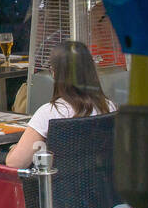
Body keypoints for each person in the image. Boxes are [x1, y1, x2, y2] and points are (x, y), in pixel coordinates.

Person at [6, 40, 115, 168]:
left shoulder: (49, 112)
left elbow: (15, 163)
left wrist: (13, 149)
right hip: (102, 185)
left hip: (58, 186)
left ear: (54, 73)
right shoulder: (109, 107)